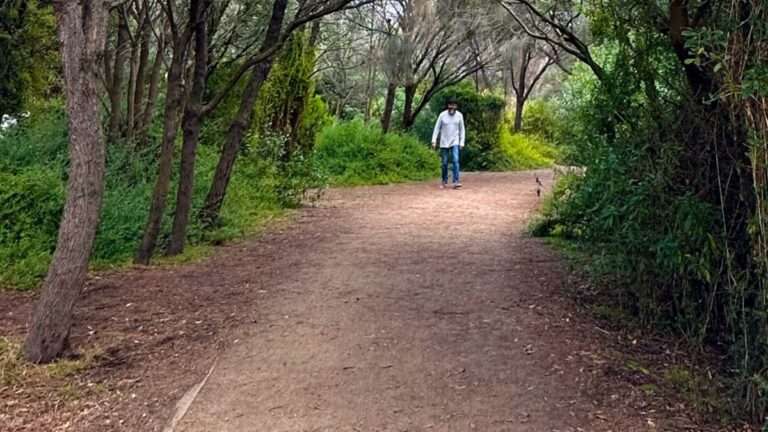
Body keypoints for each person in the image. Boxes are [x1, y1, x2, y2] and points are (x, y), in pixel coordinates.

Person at [431, 99, 465, 189]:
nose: (452, 107)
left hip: (455, 141)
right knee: (444, 163)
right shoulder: (442, 115)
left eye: (454, 105)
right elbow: (437, 128)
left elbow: (462, 130)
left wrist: (462, 142)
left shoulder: (459, 115)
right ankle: (444, 181)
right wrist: (434, 140)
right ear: (447, 106)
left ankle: (456, 181)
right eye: (450, 105)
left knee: (455, 160)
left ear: (456, 107)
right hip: (444, 141)